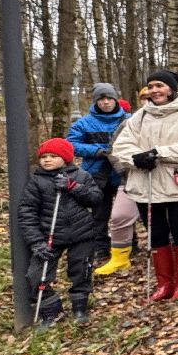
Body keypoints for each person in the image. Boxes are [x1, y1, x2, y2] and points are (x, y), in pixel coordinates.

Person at [110, 69, 178, 302]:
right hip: (146, 184)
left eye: (160, 86)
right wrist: (136, 158)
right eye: (151, 86)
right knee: (156, 233)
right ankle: (164, 284)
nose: (155, 91)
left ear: (171, 89)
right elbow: (121, 145)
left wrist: (159, 153)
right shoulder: (139, 117)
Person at [20, 138, 102, 327]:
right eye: (44, 157)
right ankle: (51, 310)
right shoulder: (37, 181)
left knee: (81, 270)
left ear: (65, 158)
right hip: (50, 236)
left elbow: (96, 198)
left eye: (53, 156)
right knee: (36, 274)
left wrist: (73, 187)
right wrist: (36, 242)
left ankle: (80, 308)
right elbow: (27, 212)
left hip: (81, 234)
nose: (47, 160)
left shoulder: (81, 176)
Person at [66, 82, 129, 270]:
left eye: (109, 98)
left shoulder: (128, 120)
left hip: (123, 174)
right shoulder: (84, 123)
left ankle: (129, 245)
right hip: (96, 174)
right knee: (99, 214)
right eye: (102, 99)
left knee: (125, 214)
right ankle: (101, 247)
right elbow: (72, 144)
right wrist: (97, 150)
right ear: (96, 101)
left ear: (115, 99)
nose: (106, 102)